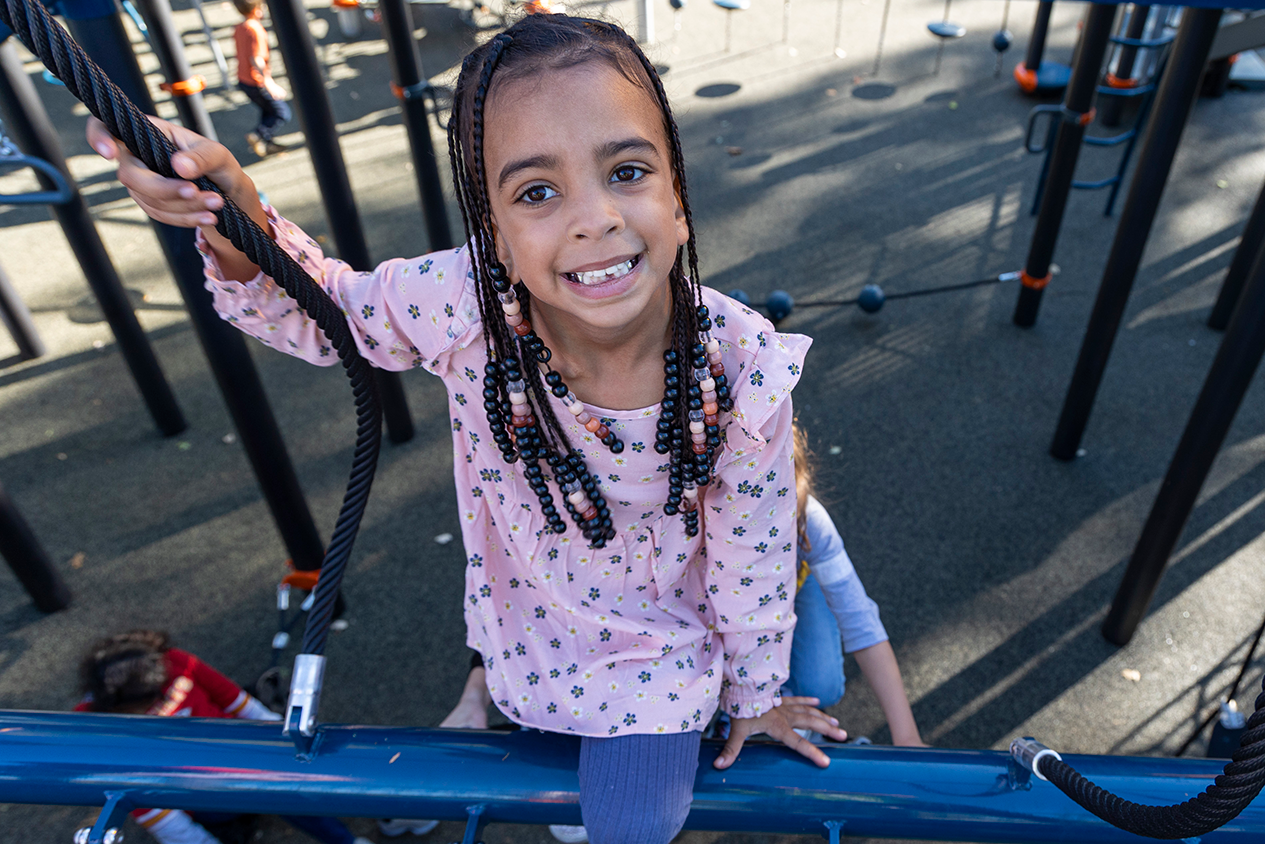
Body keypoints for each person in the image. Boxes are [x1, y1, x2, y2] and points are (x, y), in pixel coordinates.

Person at [89, 14, 842, 843]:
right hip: (523, 616)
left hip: (657, 653)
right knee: (532, 727)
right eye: (537, 193)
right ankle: (487, 691)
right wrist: (228, 214)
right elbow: (326, 310)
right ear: (496, 236)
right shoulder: (468, 304)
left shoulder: (740, 368)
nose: (594, 218)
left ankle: (500, 702)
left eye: (628, 171)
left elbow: (753, 551)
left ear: (678, 199)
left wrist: (754, 697)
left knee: (634, 824)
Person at [76, 631, 373, 844]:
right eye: (154, 701)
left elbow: (234, 699)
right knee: (276, 795)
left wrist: (284, 740)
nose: (166, 697)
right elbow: (155, 812)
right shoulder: (97, 726)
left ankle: (347, 833)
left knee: (289, 789)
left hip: (241, 749)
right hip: (196, 792)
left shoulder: (174, 661)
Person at [785, 426, 925, 747]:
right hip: (723, 608)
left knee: (821, 686)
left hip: (794, 586)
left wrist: (908, 736)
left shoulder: (807, 520)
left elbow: (860, 621)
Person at [232, 0, 291, 158]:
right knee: (282, 113)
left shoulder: (240, 27)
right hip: (256, 81)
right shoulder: (255, 30)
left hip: (243, 80)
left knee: (267, 110)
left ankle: (266, 142)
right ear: (257, 10)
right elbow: (256, 59)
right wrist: (269, 83)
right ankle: (258, 135)